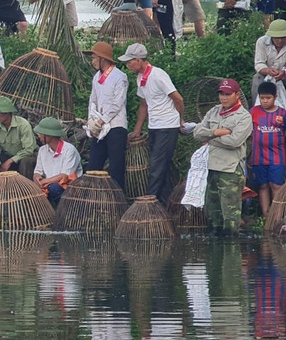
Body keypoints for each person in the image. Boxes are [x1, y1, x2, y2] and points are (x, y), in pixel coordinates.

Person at [122, 42, 184, 204]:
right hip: (154, 126)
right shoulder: (140, 78)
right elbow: (144, 104)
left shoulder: (158, 75)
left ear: (140, 60)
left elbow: (178, 98)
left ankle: (150, 201)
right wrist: (137, 129)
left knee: (156, 165)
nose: (128, 65)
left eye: (130, 61)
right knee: (161, 164)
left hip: (167, 125)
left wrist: (180, 119)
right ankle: (167, 202)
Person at [193, 79, 252, 234]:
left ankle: (231, 254)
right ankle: (215, 256)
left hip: (230, 170)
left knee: (230, 220)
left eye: (228, 94)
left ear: (237, 95)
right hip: (210, 168)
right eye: (221, 94)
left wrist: (210, 139)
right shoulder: (213, 111)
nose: (224, 97)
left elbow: (234, 141)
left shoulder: (244, 116)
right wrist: (217, 132)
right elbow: (197, 132)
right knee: (212, 218)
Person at [85, 41, 129, 191]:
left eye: (94, 58)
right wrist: (92, 120)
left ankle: (118, 200)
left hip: (116, 126)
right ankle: (92, 197)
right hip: (99, 127)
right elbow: (93, 100)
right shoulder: (96, 77)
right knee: (94, 163)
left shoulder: (120, 76)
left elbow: (117, 103)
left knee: (116, 166)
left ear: (103, 58)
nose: (93, 62)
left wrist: (102, 120)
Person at [251, 82, 286, 215]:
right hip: (258, 157)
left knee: (277, 186)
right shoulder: (254, 112)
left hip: (278, 156)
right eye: (262, 98)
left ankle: (276, 216)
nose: (265, 101)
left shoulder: (283, 114)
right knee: (263, 185)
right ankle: (266, 214)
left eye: (268, 98)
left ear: (275, 97)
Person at [0, 96, 37, 180]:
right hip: (8, 155)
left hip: (24, 156)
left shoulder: (23, 125)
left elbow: (29, 149)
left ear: (7, 113)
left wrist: (10, 161)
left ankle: (26, 190)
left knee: (27, 161)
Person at [32, 117, 81, 206]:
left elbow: (65, 176)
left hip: (67, 187)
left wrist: (45, 181)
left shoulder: (69, 150)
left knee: (54, 188)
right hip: (48, 185)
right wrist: (37, 178)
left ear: (49, 135)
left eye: (41, 133)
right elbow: (38, 171)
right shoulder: (42, 150)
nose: (39, 136)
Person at [256, 20, 286, 98]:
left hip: (284, 75)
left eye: (283, 38)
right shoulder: (262, 42)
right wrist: (268, 70)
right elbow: (259, 63)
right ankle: (256, 107)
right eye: (277, 38)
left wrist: (283, 72)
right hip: (266, 74)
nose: (280, 41)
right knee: (257, 78)